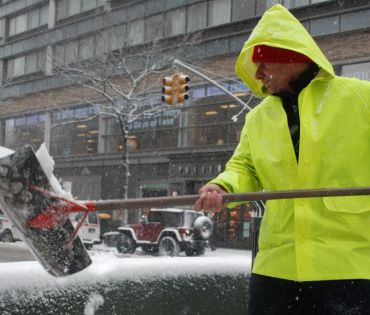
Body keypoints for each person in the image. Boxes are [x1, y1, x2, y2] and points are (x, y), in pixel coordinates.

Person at [194, 4, 370, 315]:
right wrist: (221, 187)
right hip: (276, 267)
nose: (257, 74)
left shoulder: (360, 98)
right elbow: (244, 168)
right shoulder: (258, 118)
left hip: (349, 265)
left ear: (292, 55)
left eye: (262, 63)